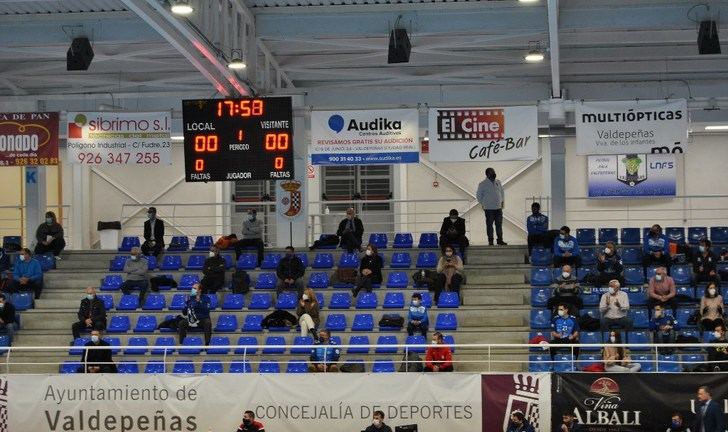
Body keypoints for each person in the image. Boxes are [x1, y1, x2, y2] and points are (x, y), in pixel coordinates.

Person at [476, 167, 506, 246]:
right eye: (492, 172)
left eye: (494, 171)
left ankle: (500, 240)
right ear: (487, 174)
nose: (494, 173)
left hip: (498, 208)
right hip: (489, 209)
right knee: (489, 225)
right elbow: (478, 196)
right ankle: (491, 241)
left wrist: (502, 201)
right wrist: (484, 203)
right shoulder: (482, 184)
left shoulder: (498, 182)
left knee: (499, 225)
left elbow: (502, 192)